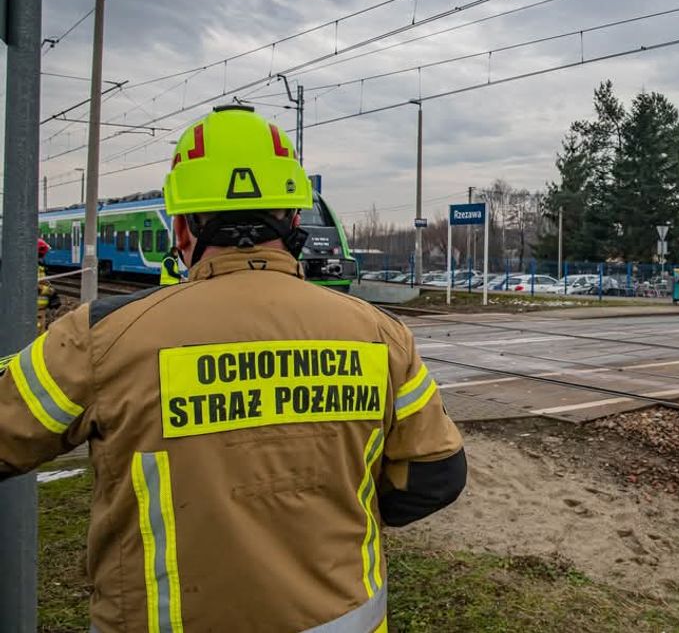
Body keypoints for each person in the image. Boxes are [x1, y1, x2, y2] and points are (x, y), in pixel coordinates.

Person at [0, 105, 466, 633]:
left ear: (181, 228)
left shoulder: (101, 337)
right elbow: (435, 476)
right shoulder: (380, 333)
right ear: (293, 221)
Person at [36, 237, 60, 333]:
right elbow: (35, 286)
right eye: (43, 252)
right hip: (35, 309)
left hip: (40, 309)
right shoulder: (33, 267)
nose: (44, 255)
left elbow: (43, 283)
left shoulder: (39, 267)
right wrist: (51, 292)